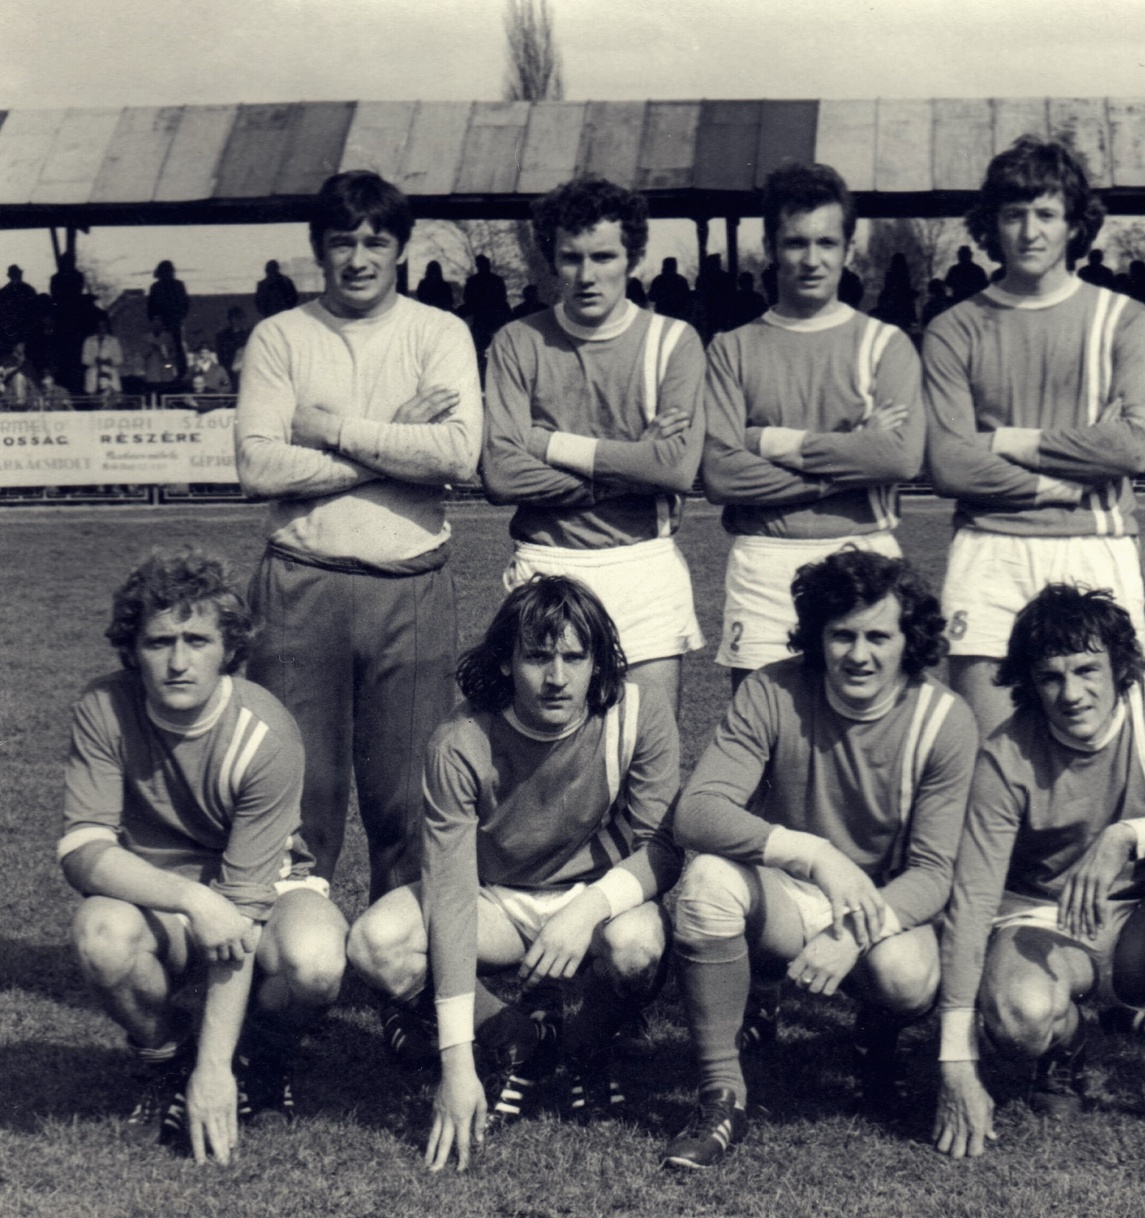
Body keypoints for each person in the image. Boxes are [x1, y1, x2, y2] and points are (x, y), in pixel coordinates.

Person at [347, 576, 681, 1170]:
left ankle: (587, 1041)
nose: (557, 677)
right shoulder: (460, 741)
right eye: (537, 657)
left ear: (598, 662)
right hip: (494, 900)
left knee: (637, 945)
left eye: (575, 657)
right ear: (505, 660)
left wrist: (587, 909)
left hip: (593, 900)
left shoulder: (637, 713)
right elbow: (451, 898)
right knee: (376, 944)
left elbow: (664, 849)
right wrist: (458, 1064)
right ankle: (517, 1037)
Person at [663, 551, 976, 1169]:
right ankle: (722, 1093)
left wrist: (852, 933)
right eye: (842, 635)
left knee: (907, 979)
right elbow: (696, 811)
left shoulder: (945, 719)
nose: (859, 655)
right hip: (792, 892)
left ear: (908, 640)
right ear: (816, 635)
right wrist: (814, 853)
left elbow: (935, 874)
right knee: (707, 883)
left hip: (884, 905)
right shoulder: (772, 689)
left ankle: (876, 1036)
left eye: (878, 637)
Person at [932, 584, 1145, 1159]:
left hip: (1143, 924)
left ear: (1121, 668)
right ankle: (1067, 1041)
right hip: (1046, 920)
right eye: (1051, 678)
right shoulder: (1006, 756)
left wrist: (1129, 836)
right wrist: (956, 1061)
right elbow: (972, 904)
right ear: (1029, 683)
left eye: (1087, 670)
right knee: (1018, 1020)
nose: (1071, 694)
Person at [234, 170, 481, 911]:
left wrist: (333, 431)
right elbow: (259, 467)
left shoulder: (440, 333)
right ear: (319, 249)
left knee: (407, 795)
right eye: (342, 242)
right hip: (300, 584)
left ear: (401, 247)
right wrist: (395, 441)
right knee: (295, 792)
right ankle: (290, 963)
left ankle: (395, 959)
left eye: (376, 242)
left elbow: (458, 455)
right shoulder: (280, 336)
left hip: (410, 585)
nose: (359, 258)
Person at [59, 548, 347, 1162]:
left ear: (229, 647)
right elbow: (83, 849)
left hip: (264, 888)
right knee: (100, 935)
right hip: (163, 894)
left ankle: (257, 1058)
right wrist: (192, 898)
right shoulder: (103, 708)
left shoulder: (265, 732)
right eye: (159, 642)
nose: (178, 661)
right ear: (132, 648)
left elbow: (242, 911)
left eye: (197, 640)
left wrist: (215, 1073)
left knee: (317, 962)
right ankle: (165, 1059)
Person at [923, 136, 1145, 736]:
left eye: (1047, 214)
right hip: (989, 550)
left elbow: (1132, 446)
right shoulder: (954, 328)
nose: (1030, 231)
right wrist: (1067, 479)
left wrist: (1002, 441)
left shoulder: (1122, 319)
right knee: (989, 751)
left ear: (1074, 225)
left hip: (1095, 547)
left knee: (1103, 748)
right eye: (1014, 214)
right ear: (992, 224)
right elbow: (948, 463)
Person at [480, 175, 706, 732]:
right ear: (551, 260)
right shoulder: (517, 341)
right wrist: (632, 466)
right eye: (571, 258)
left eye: (603, 257)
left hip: (642, 564)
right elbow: (501, 473)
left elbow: (676, 468)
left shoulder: (673, 341)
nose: (586, 275)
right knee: (546, 756)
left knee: (647, 752)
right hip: (545, 563)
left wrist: (549, 445)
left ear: (633, 256)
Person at [700, 162, 925, 688]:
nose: (811, 259)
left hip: (865, 554)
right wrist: (854, 454)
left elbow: (900, 457)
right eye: (796, 243)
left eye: (826, 243)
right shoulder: (732, 349)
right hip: (765, 563)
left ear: (848, 249)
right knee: (762, 727)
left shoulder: (885, 345)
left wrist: (767, 442)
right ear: (771, 247)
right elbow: (721, 475)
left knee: (867, 730)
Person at [81, 314, 123, 396]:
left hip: (110, 374)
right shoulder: (89, 341)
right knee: (93, 399)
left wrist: (110, 361)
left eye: (104, 325)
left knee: (113, 398)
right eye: (99, 325)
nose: (101, 328)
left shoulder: (113, 341)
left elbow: (120, 360)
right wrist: (95, 361)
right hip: (93, 375)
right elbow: (84, 360)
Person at [649, 257, 694, 321]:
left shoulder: (658, 280)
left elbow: (651, 297)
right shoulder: (681, 280)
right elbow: (687, 298)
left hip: (662, 314)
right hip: (678, 314)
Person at [215, 307, 251, 375]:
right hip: (229, 369)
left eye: (242, 318)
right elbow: (221, 356)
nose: (242, 320)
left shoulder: (248, 333)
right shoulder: (222, 336)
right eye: (239, 318)